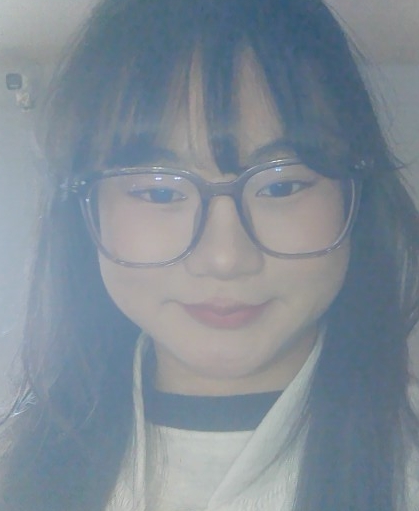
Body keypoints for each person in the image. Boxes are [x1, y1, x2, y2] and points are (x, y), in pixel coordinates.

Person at [1, 0, 419, 509]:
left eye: (281, 185)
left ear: (357, 196)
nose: (225, 258)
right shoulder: (15, 463)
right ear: (84, 212)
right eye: (159, 191)